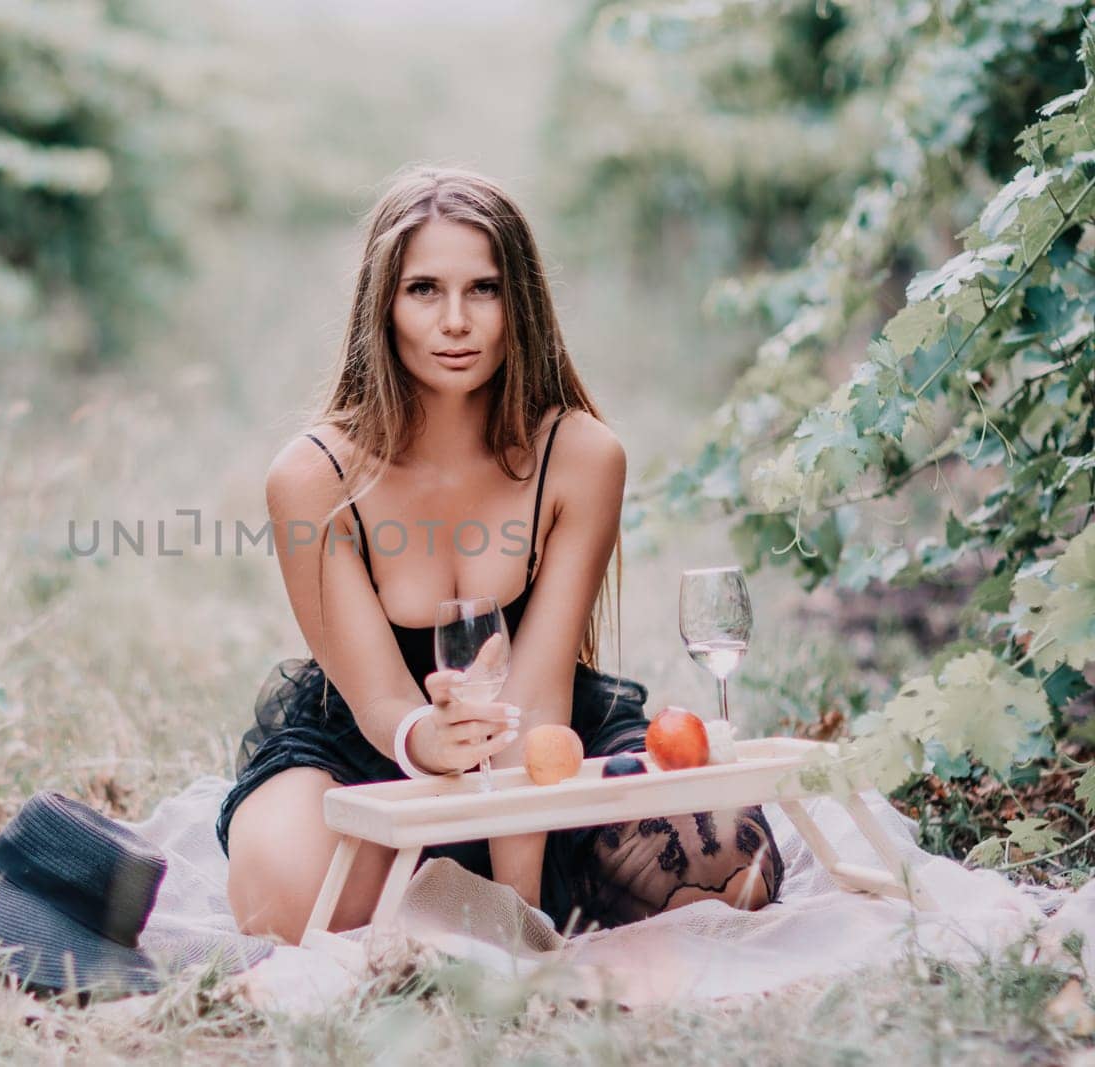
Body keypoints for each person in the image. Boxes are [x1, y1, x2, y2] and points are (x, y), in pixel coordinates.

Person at [216, 165, 784, 945]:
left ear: (519, 302)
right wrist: (426, 736)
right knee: (280, 887)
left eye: (483, 289)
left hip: (545, 737)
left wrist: (521, 923)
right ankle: (453, 894)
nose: (456, 320)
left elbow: (539, 691)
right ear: (382, 303)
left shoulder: (580, 457)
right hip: (371, 742)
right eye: (424, 290)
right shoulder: (315, 475)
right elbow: (378, 697)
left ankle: (497, 901)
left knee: (732, 865)